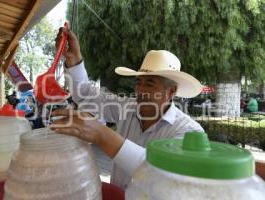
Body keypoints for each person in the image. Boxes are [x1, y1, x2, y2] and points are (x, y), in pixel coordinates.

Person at [50, 28, 204, 189]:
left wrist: (100, 133)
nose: (140, 90)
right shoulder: (127, 108)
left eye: (150, 84)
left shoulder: (188, 132)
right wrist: (74, 60)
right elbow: (85, 95)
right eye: (138, 83)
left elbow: (161, 173)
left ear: (171, 91)